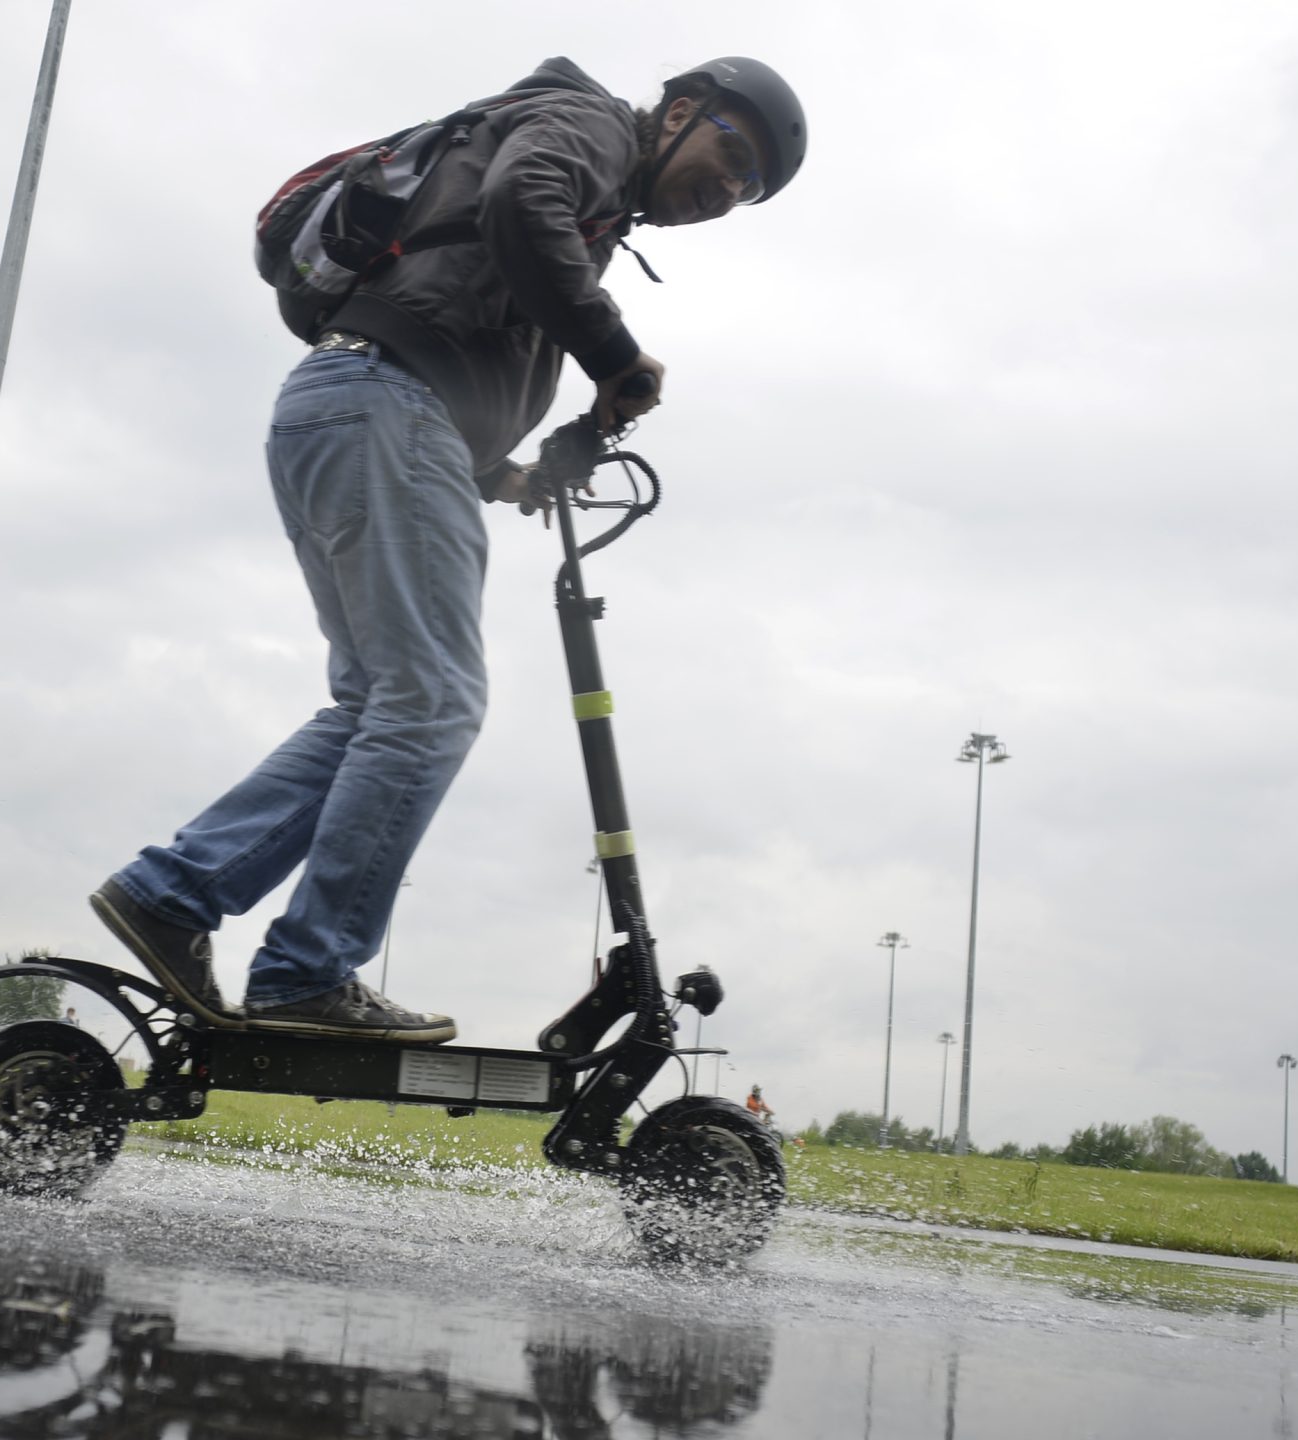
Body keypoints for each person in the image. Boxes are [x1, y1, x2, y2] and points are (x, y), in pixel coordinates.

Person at [92, 57, 806, 1044]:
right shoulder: (587, 124)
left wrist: (502, 472)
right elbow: (522, 200)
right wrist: (610, 351)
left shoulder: (590, 205)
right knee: (431, 700)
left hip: (352, 410)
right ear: (679, 112)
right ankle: (307, 970)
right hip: (382, 409)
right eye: (730, 152)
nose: (726, 188)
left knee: (381, 705)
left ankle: (172, 896)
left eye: (746, 189)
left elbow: (453, 312)